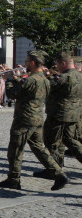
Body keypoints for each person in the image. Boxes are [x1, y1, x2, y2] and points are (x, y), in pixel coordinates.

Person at [0, 51, 67, 191]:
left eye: (27, 62)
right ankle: (59, 174)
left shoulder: (31, 79)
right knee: (40, 149)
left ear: (33, 63)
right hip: (37, 118)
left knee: (15, 149)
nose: (26, 64)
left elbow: (11, 94)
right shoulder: (45, 80)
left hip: (24, 119)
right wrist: (16, 79)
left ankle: (14, 179)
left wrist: (9, 80)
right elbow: (26, 91)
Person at [35, 51, 82, 180]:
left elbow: (47, 86)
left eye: (57, 64)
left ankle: (54, 170)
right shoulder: (79, 76)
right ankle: (56, 167)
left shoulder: (64, 77)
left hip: (59, 114)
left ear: (63, 63)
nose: (57, 66)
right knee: (70, 140)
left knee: (51, 141)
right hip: (74, 114)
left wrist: (44, 75)